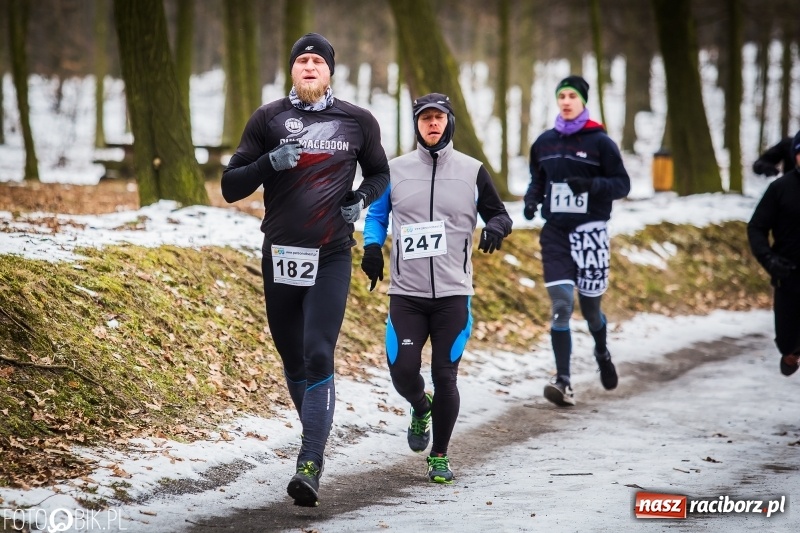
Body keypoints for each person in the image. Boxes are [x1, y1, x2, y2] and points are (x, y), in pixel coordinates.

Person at [220, 33, 389, 507]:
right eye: (302, 61)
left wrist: (361, 198)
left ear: (331, 71)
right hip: (280, 257)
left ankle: (310, 462)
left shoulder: (357, 121)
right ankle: (316, 433)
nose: (310, 67)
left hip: (332, 253)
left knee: (318, 352)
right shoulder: (268, 119)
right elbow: (230, 186)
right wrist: (268, 163)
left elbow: (379, 173)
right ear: (292, 71)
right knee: (293, 360)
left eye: (318, 61)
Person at [361, 93, 512, 484]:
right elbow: (377, 216)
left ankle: (440, 456)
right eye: (425, 118)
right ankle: (419, 405)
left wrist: (495, 226)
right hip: (406, 294)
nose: (432, 124)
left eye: (438, 118)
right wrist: (373, 247)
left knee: (446, 376)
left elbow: (499, 213)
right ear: (417, 124)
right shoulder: (394, 170)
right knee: (402, 372)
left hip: (452, 294)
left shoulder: (472, 170)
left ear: (449, 123)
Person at [523, 75, 630, 407]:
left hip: (591, 232)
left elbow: (622, 185)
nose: (566, 101)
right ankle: (564, 380)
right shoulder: (544, 142)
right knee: (561, 306)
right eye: (561, 96)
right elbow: (537, 180)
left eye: (572, 96)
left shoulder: (601, 143)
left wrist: (592, 186)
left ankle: (601, 350)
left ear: (583, 100)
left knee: (591, 310)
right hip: (555, 233)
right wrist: (530, 201)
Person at [747, 129, 800, 377]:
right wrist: (769, 259)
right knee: (788, 341)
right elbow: (756, 227)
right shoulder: (780, 189)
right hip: (788, 273)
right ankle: (792, 353)